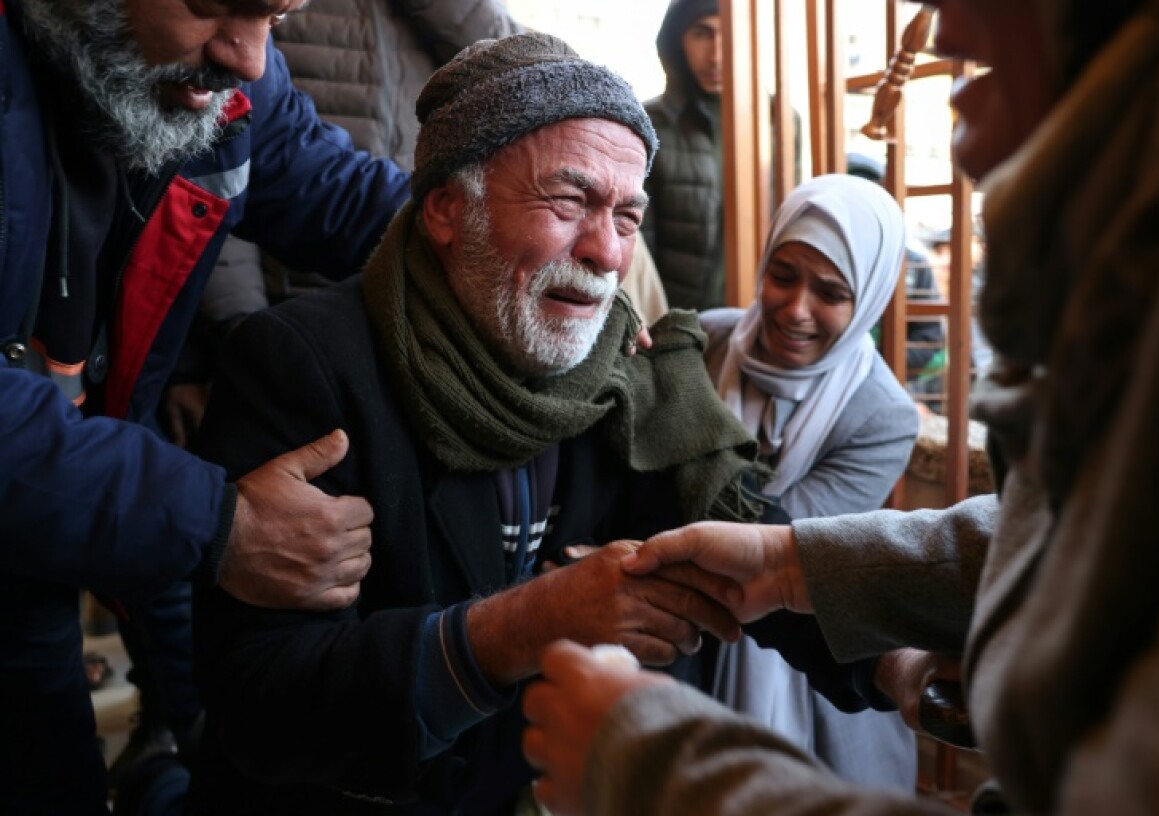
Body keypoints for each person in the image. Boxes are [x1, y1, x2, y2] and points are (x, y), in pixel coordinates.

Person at [521, 0, 1159, 813]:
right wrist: (789, 562)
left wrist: (649, 765)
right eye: (566, 203)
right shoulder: (697, 339)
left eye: (833, 291)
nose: (941, 24)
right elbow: (1073, 527)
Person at [188, 32, 771, 814]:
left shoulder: (628, 375)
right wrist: (520, 627)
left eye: (627, 217)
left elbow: (745, 540)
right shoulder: (304, 370)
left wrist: (889, 650)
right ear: (445, 209)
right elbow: (260, 703)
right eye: (568, 203)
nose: (605, 253)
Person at [0, 0, 414, 810]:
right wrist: (215, 522)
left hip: (49, 520)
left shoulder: (224, 81)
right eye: (214, 6)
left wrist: (500, 239)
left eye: (277, 14)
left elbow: (337, 191)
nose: (252, 58)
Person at [700, 173, 920, 789]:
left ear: (868, 300)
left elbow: (771, 549)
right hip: (685, 650)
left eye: (830, 291)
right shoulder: (704, 340)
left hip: (811, 666)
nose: (796, 309)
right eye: (783, 274)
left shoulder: (881, 417)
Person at [642, 0, 798, 311]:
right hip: (673, 320)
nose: (716, 56)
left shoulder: (778, 119)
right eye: (702, 34)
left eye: (729, 34)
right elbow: (638, 243)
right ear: (677, 39)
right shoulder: (650, 122)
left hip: (757, 314)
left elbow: (789, 217)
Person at [846, 151, 948, 411]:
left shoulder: (910, 265)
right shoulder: (819, 258)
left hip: (883, 393)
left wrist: (870, 366)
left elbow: (930, 341)